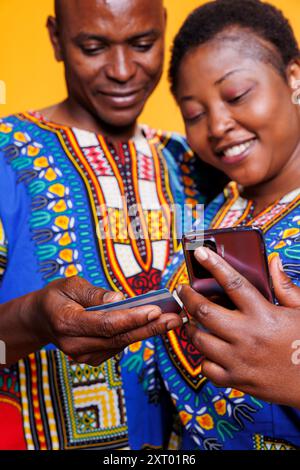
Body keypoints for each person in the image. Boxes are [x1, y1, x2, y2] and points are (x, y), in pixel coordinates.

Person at [0, 0, 227, 450]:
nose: (122, 71)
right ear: (55, 39)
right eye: (93, 46)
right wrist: (33, 320)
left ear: (164, 29)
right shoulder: (6, 154)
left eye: (142, 44)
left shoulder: (199, 160)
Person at [134, 0, 300, 450]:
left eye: (237, 95)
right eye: (194, 113)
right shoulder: (211, 209)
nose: (219, 125)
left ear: (294, 78)